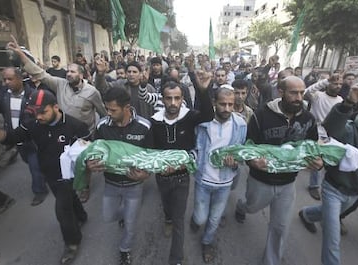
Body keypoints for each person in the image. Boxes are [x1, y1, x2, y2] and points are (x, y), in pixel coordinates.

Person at [0, 89, 89, 265]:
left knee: (62, 210)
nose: (39, 117)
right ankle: (81, 215)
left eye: (43, 112)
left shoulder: (76, 126)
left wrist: (85, 177)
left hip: (69, 176)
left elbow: (88, 153)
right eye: (36, 113)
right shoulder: (32, 124)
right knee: (67, 200)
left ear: (56, 107)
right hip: (49, 174)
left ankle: (72, 242)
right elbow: (8, 138)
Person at [7, 36, 106, 203]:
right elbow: (39, 73)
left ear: (81, 75)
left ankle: (84, 188)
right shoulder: (60, 84)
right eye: (67, 70)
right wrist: (22, 56)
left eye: (73, 71)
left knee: (82, 163)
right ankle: (68, 185)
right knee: (65, 163)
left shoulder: (92, 92)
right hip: (61, 132)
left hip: (83, 137)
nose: (68, 73)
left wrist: (102, 137)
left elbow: (103, 112)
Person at [298, 88, 358, 265]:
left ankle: (307, 214)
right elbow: (330, 130)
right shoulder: (349, 129)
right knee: (332, 240)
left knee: (325, 213)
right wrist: (347, 103)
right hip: (334, 189)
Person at [235, 76, 321, 265]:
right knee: (251, 207)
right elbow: (248, 145)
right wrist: (252, 161)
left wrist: (317, 161)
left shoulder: (308, 118)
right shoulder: (261, 115)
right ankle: (241, 206)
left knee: (280, 227)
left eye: (302, 92)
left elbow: (312, 145)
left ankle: (270, 261)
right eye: (294, 93)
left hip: (288, 184)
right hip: (260, 181)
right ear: (281, 92)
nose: (299, 97)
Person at [150, 72, 214, 265]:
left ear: (182, 99)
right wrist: (160, 167)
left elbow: (208, 115)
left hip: (182, 177)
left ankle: (176, 259)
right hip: (161, 176)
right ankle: (167, 218)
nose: (173, 102)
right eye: (169, 98)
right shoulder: (154, 121)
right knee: (167, 205)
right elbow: (150, 149)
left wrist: (202, 91)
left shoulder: (190, 117)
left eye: (177, 98)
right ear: (163, 99)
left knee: (179, 219)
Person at [87, 87, 152, 265]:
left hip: (134, 186)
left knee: (130, 225)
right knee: (109, 216)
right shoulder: (102, 126)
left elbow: (152, 154)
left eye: (112, 110)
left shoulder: (144, 126)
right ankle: (124, 214)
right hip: (111, 183)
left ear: (127, 107)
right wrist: (90, 163)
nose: (108, 113)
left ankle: (125, 250)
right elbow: (96, 149)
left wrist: (146, 174)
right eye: (106, 109)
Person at [190, 86, 246, 263]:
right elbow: (193, 146)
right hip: (203, 180)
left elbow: (242, 151)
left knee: (214, 219)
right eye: (223, 104)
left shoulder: (241, 124)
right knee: (200, 217)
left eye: (231, 104)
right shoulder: (202, 123)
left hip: (225, 182)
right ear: (214, 103)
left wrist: (236, 162)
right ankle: (195, 219)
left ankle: (207, 242)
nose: (227, 109)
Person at [0, 68, 49, 206]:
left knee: (34, 166)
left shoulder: (33, 95)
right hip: (15, 139)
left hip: (32, 139)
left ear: (19, 78)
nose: (6, 82)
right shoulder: (4, 93)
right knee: (28, 161)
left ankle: (39, 191)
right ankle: (44, 172)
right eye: (4, 79)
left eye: (10, 79)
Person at [304, 74, 344, 200]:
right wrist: (326, 80)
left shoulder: (340, 100)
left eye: (340, 84)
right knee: (318, 156)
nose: (337, 86)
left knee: (330, 159)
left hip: (332, 134)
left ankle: (331, 185)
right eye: (335, 83)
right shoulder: (318, 96)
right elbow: (307, 92)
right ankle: (314, 185)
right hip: (316, 130)